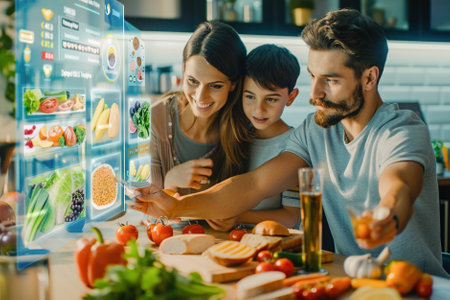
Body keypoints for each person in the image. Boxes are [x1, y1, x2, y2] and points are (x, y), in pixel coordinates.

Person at [132, 9, 448, 276]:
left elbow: (399, 185)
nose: (315, 95)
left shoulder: (402, 129)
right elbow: (254, 184)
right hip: (354, 279)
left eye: (331, 81)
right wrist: (177, 206)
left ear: (368, 78)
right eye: (313, 77)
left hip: (416, 286)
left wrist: (387, 215)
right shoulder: (316, 130)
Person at [150, 21, 251, 196]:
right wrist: (171, 180)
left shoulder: (243, 128)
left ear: (233, 84)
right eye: (193, 81)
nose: (200, 96)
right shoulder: (154, 118)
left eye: (216, 86)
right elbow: (149, 210)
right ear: (183, 71)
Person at [207, 44, 301, 231]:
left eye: (271, 99)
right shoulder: (235, 133)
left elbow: (290, 217)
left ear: (290, 97)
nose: (259, 109)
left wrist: (238, 216)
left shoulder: (297, 147)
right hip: (232, 240)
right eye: (250, 97)